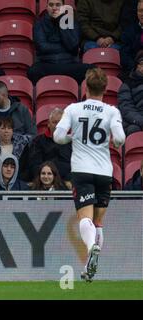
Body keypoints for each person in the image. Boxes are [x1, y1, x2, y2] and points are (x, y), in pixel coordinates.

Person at [53, 67, 126, 282]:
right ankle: (88, 268)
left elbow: (58, 136)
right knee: (98, 222)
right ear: (105, 88)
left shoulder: (74, 109)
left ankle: (91, 246)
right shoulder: (112, 111)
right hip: (104, 171)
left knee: (85, 218)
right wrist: (113, 140)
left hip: (82, 170)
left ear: (85, 86)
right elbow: (120, 139)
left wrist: (71, 138)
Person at [27, 0, 95, 85]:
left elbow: (73, 46)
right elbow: (42, 47)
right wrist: (64, 47)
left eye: (58, 5)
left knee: (92, 70)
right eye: (51, 5)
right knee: (32, 71)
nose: (54, 8)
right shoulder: (39, 24)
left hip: (68, 64)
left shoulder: (72, 22)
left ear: (63, 7)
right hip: (47, 64)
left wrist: (61, 21)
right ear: (47, 7)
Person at [28, 108, 72, 182]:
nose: (57, 126)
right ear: (48, 124)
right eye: (54, 122)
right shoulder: (37, 141)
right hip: (44, 182)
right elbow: (34, 165)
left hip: (67, 183)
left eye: (60, 122)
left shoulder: (73, 141)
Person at [118, 51, 143, 136]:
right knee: (134, 130)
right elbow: (126, 108)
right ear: (137, 66)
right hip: (136, 121)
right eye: (142, 63)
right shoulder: (127, 84)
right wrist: (141, 121)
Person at [120, 0, 143, 77]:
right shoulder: (128, 32)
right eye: (140, 11)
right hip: (134, 72)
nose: (142, 14)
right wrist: (136, 67)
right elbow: (124, 56)